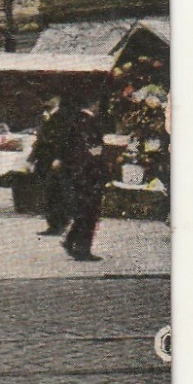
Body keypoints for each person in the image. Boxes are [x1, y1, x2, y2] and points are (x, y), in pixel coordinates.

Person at [60, 90, 109, 263]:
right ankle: (82, 249)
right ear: (93, 104)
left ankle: (70, 240)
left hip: (76, 173)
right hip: (89, 173)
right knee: (90, 212)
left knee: (83, 211)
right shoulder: (89, 123)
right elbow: (92, 150)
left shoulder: (74, 120)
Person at [29, 92, 72, 237]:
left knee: (56, 192)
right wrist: (32, 157)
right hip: (44, 158)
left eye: (49, 98)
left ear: (57, 99)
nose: (46, 102)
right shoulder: (46, 115)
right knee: (49, 192)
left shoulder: (63, 116)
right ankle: (54, 223)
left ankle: (59, 224)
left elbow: (65, 139)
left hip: (55, 159)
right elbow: (41, 138)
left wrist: (60, 158)